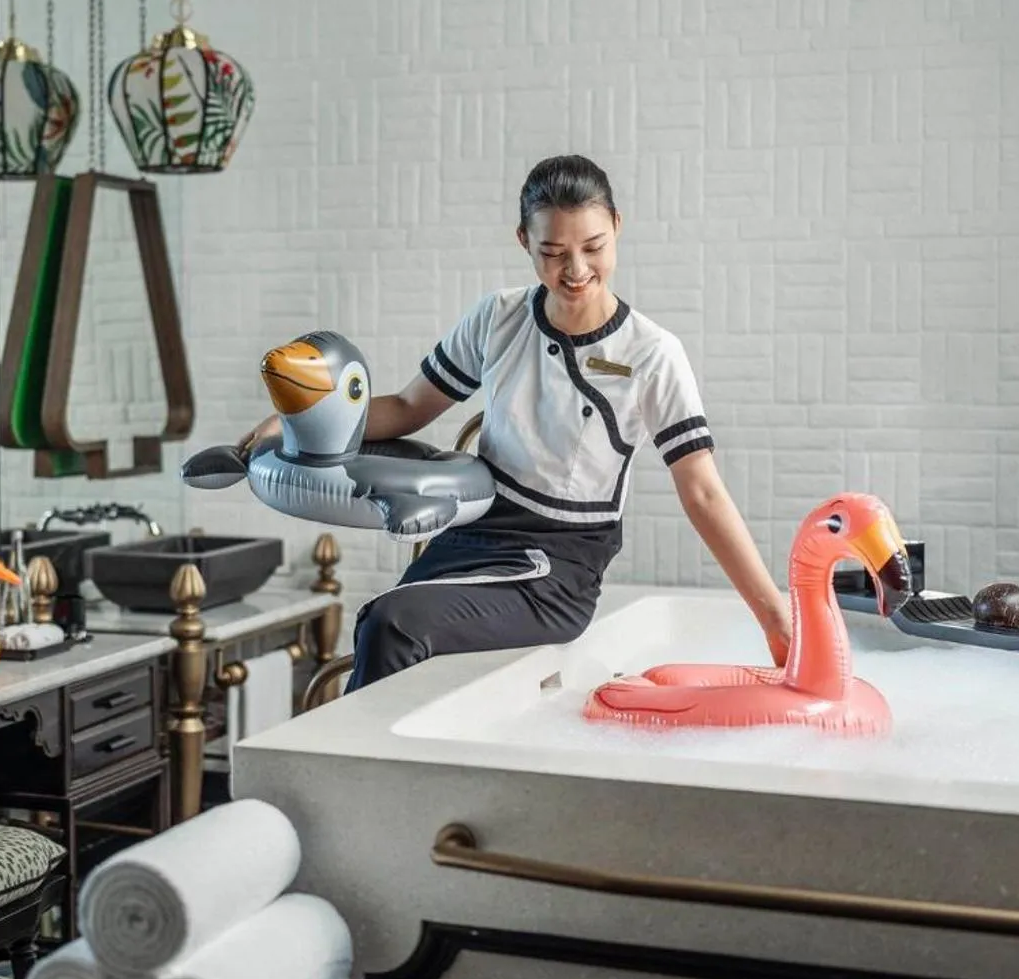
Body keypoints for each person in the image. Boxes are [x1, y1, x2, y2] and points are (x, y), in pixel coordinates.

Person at [238, 154, 791, 691]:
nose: (575, 270)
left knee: (394, 623)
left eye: (593, 247)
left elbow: (703, 494)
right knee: (380, 623)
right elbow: (407, 409)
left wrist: (772, 615)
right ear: (524, 241)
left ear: (618, 228)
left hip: (556, 567)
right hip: (471, 532)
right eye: (553, 252)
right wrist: (298, 424)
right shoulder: (497, 317)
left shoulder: (651, 353)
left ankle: (356, 781)